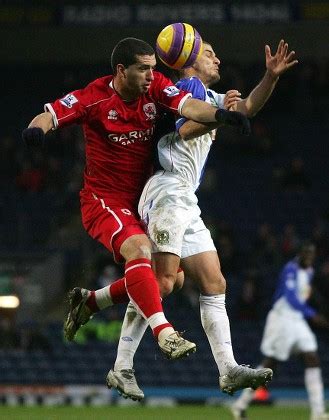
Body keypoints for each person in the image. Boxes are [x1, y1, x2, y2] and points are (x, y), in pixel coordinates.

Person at [69, 39, 298, 401]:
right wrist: (219, 116)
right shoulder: (186, 91)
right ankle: (121, 366)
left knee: (210, 281)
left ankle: (228, 369)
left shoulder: (204, 92)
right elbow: (187, 127)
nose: (217, 57)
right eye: (209, 53)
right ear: (188, 60)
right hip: (167, 192)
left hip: (185, 198)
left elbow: (249, 108)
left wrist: (269, 77)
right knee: (160, 280)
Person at [22, 37, 250, 361]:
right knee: (140, 251)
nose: (151, 76)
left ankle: (91, 301)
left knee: (171, 279)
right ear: (121, 70)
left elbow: (187, 106)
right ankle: (165, 333)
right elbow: (51, 114)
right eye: (143, 69)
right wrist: (36, 131)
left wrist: (220, 115)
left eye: (153, 69)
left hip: (141, 198)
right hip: (106, 200)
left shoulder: (155, 85)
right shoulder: (94, 97)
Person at [231, 242, 329, 420]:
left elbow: (303, 296)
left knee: (312, 357)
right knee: (271, 364)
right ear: (299, 254)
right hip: (282, 318)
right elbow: (291, 298)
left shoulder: (309, 271)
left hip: (297, 320)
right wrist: (312, 314)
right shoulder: (290, 269)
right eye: (306, 253)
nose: (309, 257)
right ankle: (240, 404)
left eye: (312, 254)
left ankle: (317, 412)